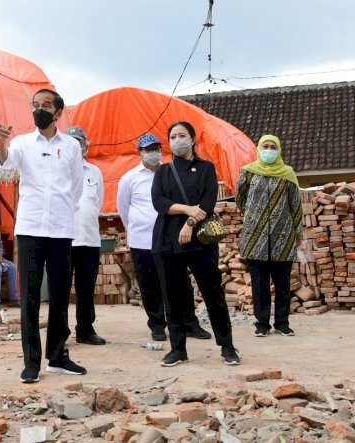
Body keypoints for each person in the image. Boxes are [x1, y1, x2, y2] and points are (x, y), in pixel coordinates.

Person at [0, 88, 85, 383]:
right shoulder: (21, 143)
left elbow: (76, 188)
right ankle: (31, 362)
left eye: (46, 105)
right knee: (30, 297)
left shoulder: (70, 146)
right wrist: (2, 145)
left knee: (59, 295)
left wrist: (62, 211)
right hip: (31, 230)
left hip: (60, 230)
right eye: (36, 105)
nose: (40, 109)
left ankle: (57, 356)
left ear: (58, 113)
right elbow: (4, 162)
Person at [151, 121, 240, 366]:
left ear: (192, 140)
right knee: (174, 297)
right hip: (168, 241)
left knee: (213, 294)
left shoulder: (206, 168)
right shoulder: (163, 171)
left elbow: (208, 201)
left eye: (182, 135)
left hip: (200, 240)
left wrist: (189, 222)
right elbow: (159, 202)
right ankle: (177, 349)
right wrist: (187, 208)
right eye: (172, 136)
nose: (176, 140)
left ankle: (227, 346)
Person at [117, 133, 212, 342]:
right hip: (142, 240)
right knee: (149, 285)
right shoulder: (129, 178)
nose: (153, 153)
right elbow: (123, 208)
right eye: (148, 149)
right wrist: (134, 228)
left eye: (156, 148)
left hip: (169, 238)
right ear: (140, 152)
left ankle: (189, 323)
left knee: (180, 283)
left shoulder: (171, 172)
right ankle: (158, 324)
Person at [235, 135, 302, 337]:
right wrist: (254, 216)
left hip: (283, 237)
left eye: (273, 147)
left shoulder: (287, 173)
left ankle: (282, 323)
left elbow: (295, 204)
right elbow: (240, 198)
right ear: (259, 149)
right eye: (266, 146)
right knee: (259, 284)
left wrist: (297, 232)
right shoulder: (248, 172)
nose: (269, 150)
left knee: (283, 284)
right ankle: (262, 324)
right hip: (255, 238)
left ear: (279, 150)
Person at [66, 126, 106, 346]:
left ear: (85, 145)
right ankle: (60, 331)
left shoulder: (94, 172)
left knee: (86, 289)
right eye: (71, 142)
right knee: (60, 289)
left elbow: (97, 202)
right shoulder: (58, 170)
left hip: (89, 239)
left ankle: (85, 330)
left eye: (79, 142)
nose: (75, 146)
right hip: (64, 239)